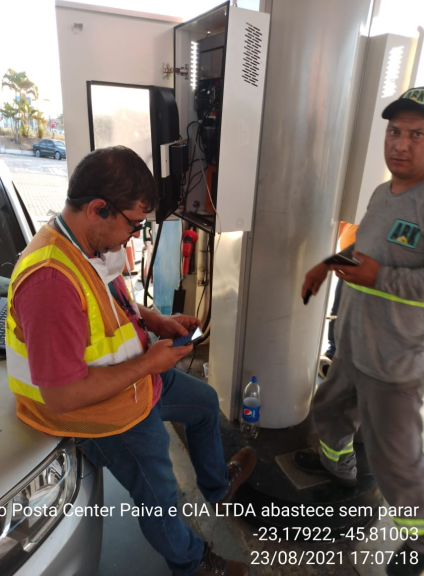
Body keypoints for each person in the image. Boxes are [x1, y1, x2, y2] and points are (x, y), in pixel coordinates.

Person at [5, 146, 256, 576]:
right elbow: (62, 396)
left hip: (135, 380)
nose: (134, 236)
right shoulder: (49, 283)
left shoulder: (84, 242)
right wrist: (148, 365)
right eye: (134, 224)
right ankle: (193, 563)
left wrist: (155, 319)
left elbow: (109, 300)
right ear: (98, 209)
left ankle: (217, 489)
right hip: (100, 412)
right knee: (160, 494)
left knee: (202, 404)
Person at [296, 87, 424, 576]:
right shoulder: (382, 192)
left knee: (396, 461)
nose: (401, 144)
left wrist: (381, 278)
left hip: (396, 360)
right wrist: (326, 263)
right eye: (395, 132)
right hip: (354, 341)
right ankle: (340, 469)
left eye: (418, 134)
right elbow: (363, 251)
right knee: (329, 410)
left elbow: (382, 270)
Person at [318, 222, 358, 378]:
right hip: (346, 268)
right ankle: (332, 353)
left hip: (369, 273)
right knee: (338, 312)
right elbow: (338, 225)